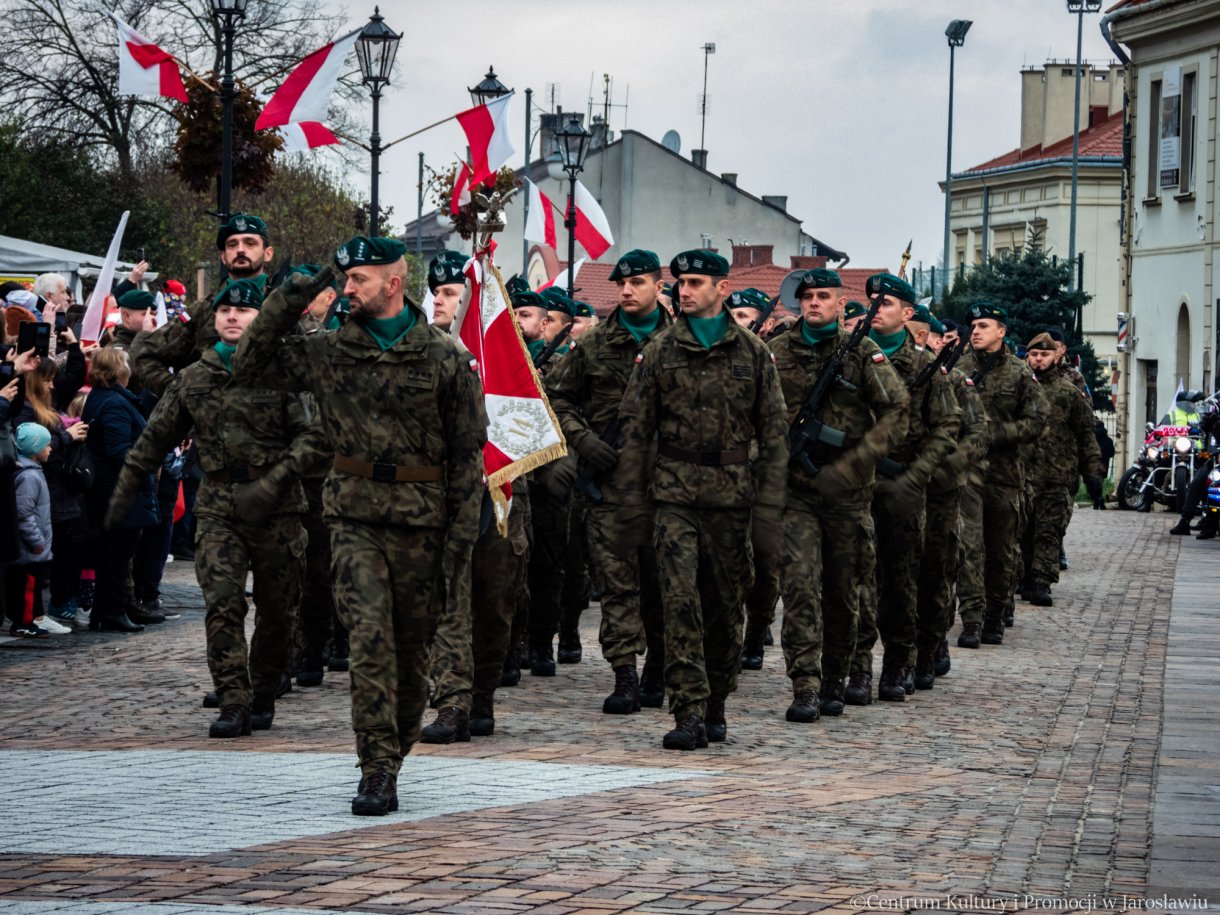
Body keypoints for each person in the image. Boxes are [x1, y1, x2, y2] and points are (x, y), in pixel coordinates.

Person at [233, 237, 487, 816]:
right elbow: (250, 362)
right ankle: (375, 767)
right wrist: (295, 291)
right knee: (370, 641)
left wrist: (459, 544)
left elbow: (467, 456)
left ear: (392, 284)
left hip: (423, 521)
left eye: (358, 280)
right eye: (344, 279)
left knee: (412, 652)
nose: (346, 288)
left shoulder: (443, 357)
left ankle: (395, 747)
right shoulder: (329, 350)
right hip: (353, 516)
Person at [108, 278, 326, 738]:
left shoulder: (285, 372)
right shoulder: (195, 377)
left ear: (261, 320)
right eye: (225, 309)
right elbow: (157, 436)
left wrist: (277, 477)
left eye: (244, 311)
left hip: (278, 509)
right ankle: (233, 700)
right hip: (219, 507)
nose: (232, 316)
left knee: (278, 610)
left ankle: (262, 692)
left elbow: (314, 437)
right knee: (222, 604)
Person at [617, 249, 788, 750]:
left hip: (732, 499)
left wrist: (769, 507)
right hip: (673, 496)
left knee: (725, 606)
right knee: (679, 602)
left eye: (695, 282)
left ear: (721, 287)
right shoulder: (660, 350)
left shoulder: (753, 352)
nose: (684, 291)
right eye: (681, 283)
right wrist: (632, 500)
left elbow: (774, 433)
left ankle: (716, 701)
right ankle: (687, 709)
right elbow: (634, 427)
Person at [769, 268, 908, 720]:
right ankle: (805, 685)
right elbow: (754, 414)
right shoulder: (776, 352)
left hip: (847, 495)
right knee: (799, 587)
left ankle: (837, 676)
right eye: (807, 295)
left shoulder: (863, 353)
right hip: (796, 492)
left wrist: (858, 457)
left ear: (840, 302)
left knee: (844, 590)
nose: (813, 302)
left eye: (823, 295)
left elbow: (896, 412)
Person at [546, 248, 673, 714]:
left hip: (667, 487)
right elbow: (557, 398)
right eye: (622, 284)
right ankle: (624, 674)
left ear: (659, 287)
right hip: (609, 486)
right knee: (617, 586)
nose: (627, 291)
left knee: (662, 585)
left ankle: (658, 666)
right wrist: (583, 441)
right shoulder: (594, 344)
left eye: (637, 283)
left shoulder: (683, 343)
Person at [855, 274, 960, 702]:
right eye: (871, 302)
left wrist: (919, 471)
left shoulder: (923, 367)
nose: (875, 309)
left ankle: (899, 662)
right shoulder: (850, 356)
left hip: (902, 486)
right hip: (852, 483)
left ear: (907, 313)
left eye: (885, 303)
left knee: (900, 580)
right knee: (855, 580)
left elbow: (948, 426)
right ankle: (856, 667)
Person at [955, 304, 1046, 646]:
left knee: (1001, 549)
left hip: (1004, 475)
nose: (976, 331)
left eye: (983, 325)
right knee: (968, 547)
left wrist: (996, 433)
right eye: (973, 326)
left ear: (1001, 331)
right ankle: (972, 619)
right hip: (966, 475)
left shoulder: (1020, 373)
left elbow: (1037, 422)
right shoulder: (959, 368)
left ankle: (995, 613)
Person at [1019, 334, 1103, 606]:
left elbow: (1086, 434)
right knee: (1023, 532)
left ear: (1055, 356)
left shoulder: (1069, 392)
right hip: (1021, 475)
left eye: (1044, 355)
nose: (1039, 360)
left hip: (1057, 475)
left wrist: (1093, 472)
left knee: (1049, 532)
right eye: (1034, 355)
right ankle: (1025, 577)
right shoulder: (1018, 388)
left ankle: (1042, 581)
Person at [81, 347, 161, 633]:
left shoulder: (104, 397)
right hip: (119, 491)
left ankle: (106, 611)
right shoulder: (114, 402)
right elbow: (118, 451)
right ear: (119, 370)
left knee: (112, 554)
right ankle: (111, 611)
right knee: (116, 555)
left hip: (112, 489)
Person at [7, 423, 55, 637]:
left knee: (32, 584)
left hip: (34, 545)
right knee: (27, 585)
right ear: (36, 449)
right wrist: (37, 541)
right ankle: (23, 623)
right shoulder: (29, 477)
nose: (50, 448)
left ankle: (30, 619)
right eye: (47, 445)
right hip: (30, 547)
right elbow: (23, 514)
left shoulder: (32, 472)